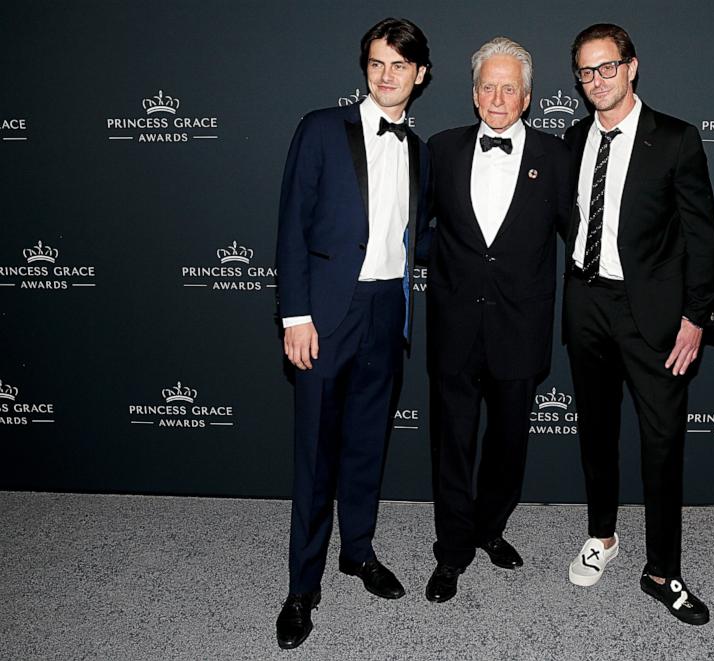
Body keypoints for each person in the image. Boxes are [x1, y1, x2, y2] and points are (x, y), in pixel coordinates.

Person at [273, 17, 432, 649]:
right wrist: (294, 316)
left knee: (368, 444)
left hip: (385, 314)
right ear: (365, 70)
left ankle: (358, 552)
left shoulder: (418, 149)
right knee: (316, 452)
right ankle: (301, 586)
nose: (387, 76)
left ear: (420, 74)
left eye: (399, 66)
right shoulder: (319, 129)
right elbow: (291, 225)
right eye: (376, 64)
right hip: (325, 315)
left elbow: (417, 238)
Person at [562, 23, 714, 626]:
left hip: (652, 315)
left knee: (661, 442)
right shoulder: (573, 138)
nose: (596, 80)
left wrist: (696, 317)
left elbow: (703, 237)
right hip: (584, 304)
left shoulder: (676, 139)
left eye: (606, 67)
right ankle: (602, 537)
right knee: (596, 432)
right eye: (585, 71)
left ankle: (662, 570)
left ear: (631, 67)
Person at [424, 37, 571, 602]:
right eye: (489, 85)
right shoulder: (440, 150)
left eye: (510, 87)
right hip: (455, 325)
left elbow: (581, 236)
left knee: (509, 445)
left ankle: (491, 527)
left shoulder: (556, 158)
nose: (499, 96)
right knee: (452, 444)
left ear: (528, 97)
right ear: (473, 94)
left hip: (520, 326)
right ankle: (453, 551)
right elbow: (413, 229)